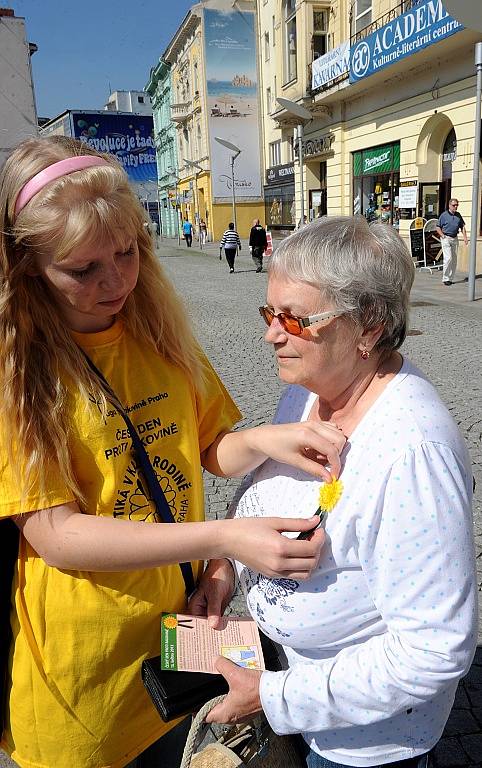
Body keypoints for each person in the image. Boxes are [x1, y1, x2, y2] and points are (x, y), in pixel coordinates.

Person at [0, 137, 346, 768]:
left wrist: (269, 440)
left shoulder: (155, 332)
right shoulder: (18, 373)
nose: (116, 281)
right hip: (86, 682)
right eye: (83, 270)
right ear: (26, 267)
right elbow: (57, 536)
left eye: (128, 253)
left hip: (181, 636)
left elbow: (210, 446)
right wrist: (226, 540)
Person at [198, 216, 478, 768]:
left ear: (369, 326)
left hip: (361, 740)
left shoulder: (412, 455)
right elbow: (264, 490)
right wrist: (225, 562)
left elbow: (434, 651)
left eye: (296, 320)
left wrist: (271, 697)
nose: (271, 334)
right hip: (289, 673)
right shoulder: (312, 389)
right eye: (269, 312)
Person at [436, 198, 468, 285]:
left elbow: (462, 226)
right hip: (446, 237)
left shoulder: (458, 215)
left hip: (455, 238)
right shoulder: (444, 215)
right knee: (448, 258)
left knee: (454, 259)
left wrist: (465, 237)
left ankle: (450, 278)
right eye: (454, 205)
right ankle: (445, 278)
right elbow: (438, 227)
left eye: (457, 205)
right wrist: (442, 236)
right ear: (449, 205)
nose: (455, 207)